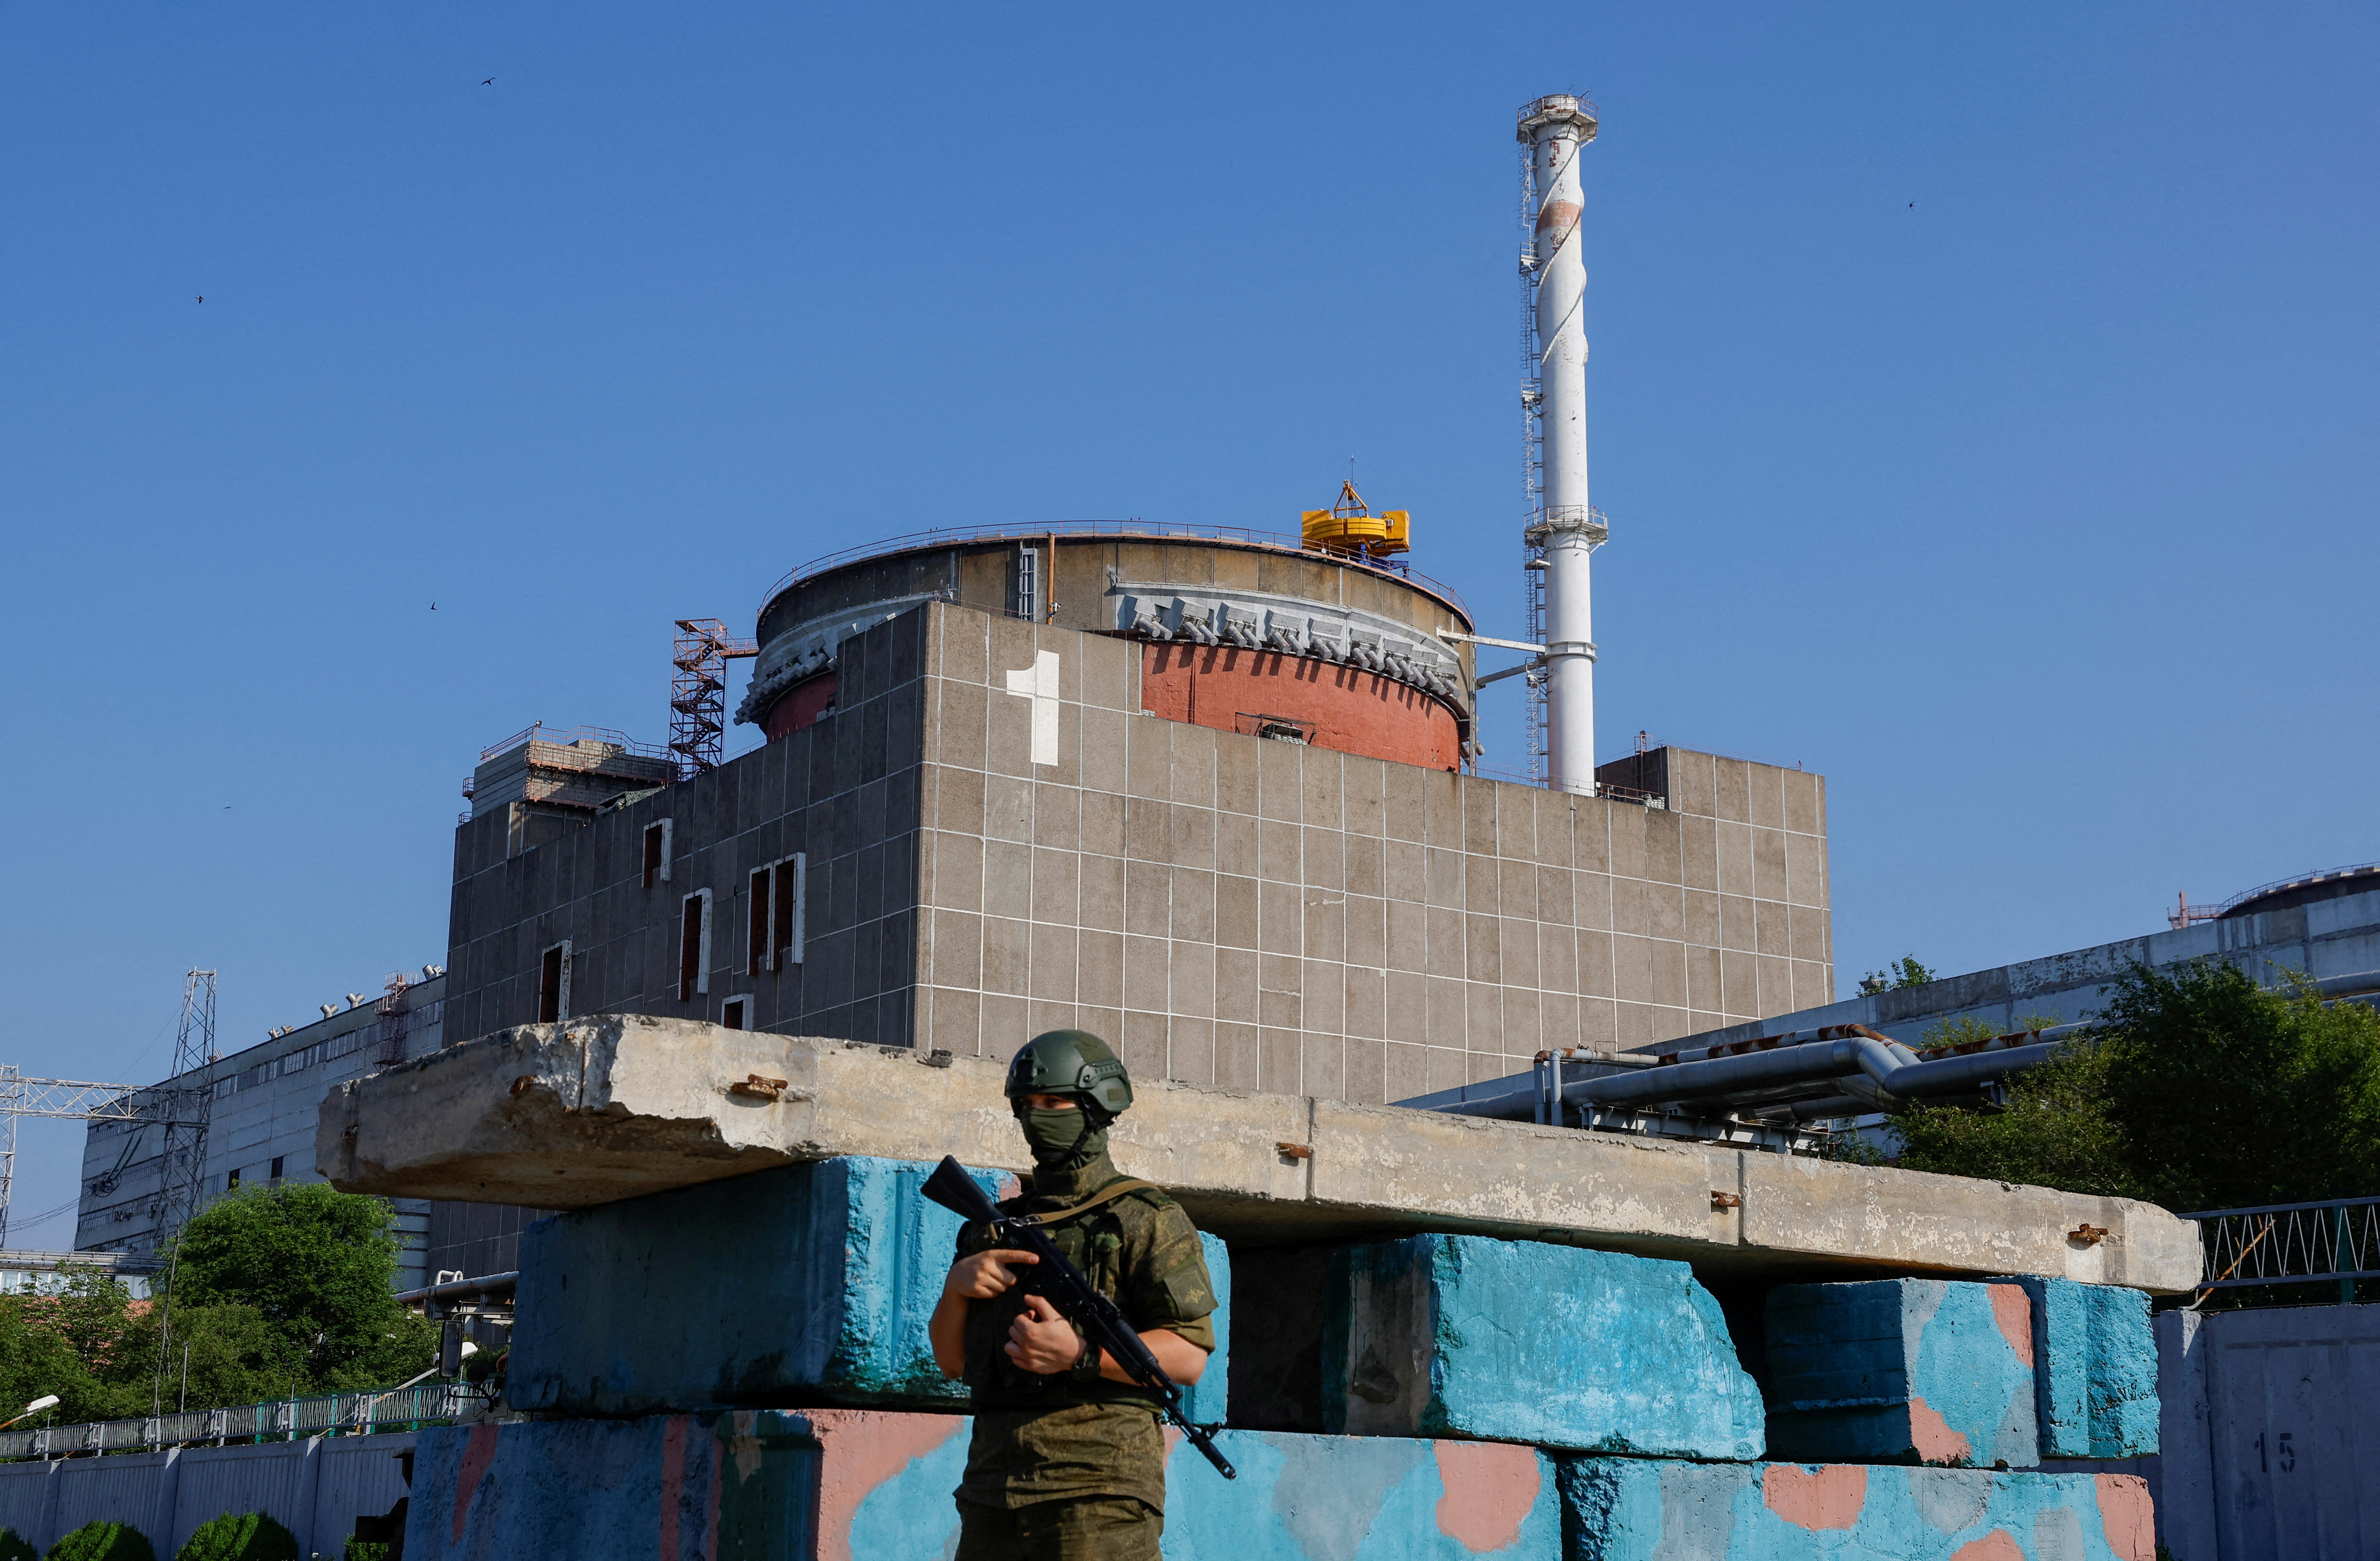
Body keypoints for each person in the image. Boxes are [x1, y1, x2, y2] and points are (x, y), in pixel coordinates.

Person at [929, 1029, 1218, 1561]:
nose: (1037, 1116)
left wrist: (1079, 1356)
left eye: (1053, 1102)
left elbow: (1189, 1355)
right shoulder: (992, 1230)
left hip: (1098, 1493)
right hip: (993, 1492)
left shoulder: (1144, 1217)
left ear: (1095, 1105)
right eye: (1027, 1105)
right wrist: (957, 1290)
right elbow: (952, 1361)